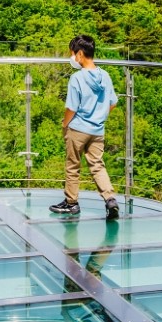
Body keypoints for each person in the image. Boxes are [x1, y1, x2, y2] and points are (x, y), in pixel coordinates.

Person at [50, 35, 119, 220]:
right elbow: (113, 102)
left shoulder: (77, 78)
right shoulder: (105, 76)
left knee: (73, 166)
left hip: (78, 129)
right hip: (98, 129)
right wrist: (100, 115)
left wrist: (65, 125)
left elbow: (71, 108)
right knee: (97, 165)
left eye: (72, 54)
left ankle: (71, 203)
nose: (72, 58)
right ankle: (110, 199)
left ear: (80, 54)